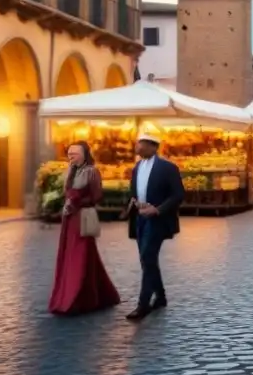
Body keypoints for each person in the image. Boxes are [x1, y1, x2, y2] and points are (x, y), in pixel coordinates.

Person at [48, 141, 120, 315]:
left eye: (75, 153)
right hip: (70, 220)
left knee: (81, 255)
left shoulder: (91, 172)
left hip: (82, 219)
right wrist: (68, 205)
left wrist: (76, 204)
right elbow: (68, 194)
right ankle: (95, 295)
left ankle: (76, 298)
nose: (71, 156)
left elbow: (96, 196)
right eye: (70, 153)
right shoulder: (71, 171)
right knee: (73, 255)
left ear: (85, 154)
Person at [125, 133, 184, 322]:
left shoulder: (168, 168)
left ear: (153, 146)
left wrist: (157, 210)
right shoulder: (137, 167)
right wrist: (135, 201)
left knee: (147, 256)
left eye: (140, 144)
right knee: (147, 260)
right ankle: (161, 297)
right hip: (140, 218)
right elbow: (134, 190)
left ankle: (143, 305)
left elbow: (178, 195)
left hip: (157, 219)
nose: (136, 147)